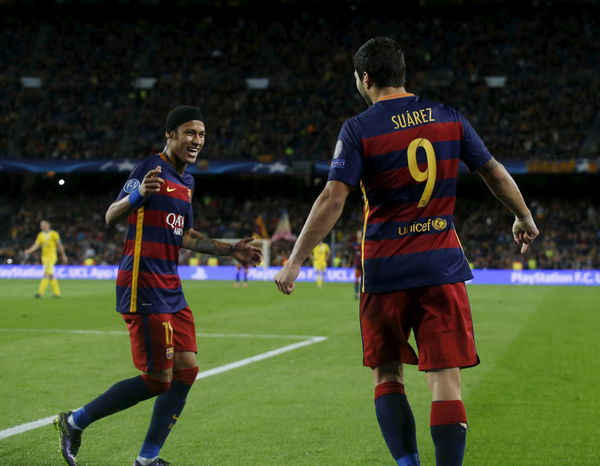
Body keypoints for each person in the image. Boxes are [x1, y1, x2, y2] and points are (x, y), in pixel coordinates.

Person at [274, 37, 539, 466]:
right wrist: (523, 216)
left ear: (366, 78)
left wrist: (295, 259)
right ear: (403, 74)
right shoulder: (449, 117)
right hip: (442, 266)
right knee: (446, 380)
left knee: (387, 374)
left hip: (384, 271)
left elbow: (332, 198)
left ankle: (408, 463)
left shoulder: (359, 128)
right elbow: (493, 171)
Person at [54, 105, 263, 466]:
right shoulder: (150, 169)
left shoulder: (187, 183)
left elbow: (185, 235)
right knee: (157, 380)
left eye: (201, 134)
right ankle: (74, 421)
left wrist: (232, 250)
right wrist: (138, 196)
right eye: (189, 133)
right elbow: (110, 215)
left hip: (171, 285)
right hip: (143, 283)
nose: (196, 140)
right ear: (170, 135)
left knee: (187, 371)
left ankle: (147, 459)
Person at [24, 220, 68, 298]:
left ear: (48, 225)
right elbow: (36, 245)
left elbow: (60, 245)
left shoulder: (54, 234)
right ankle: (57, 293)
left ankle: (40, 293)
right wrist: (29, 250)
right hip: (44, 257)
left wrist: (63, 255)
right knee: (51, 275)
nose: (42, 226)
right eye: (41, 225)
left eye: (44, 224)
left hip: (52, 256)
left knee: (46, 273)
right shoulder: (40, 235)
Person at [352, 230, 363, 299]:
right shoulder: (355, 245)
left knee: (362, 280)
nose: (359, 235)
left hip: (363, 264)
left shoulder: (364, 243)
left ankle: (360, 293)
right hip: (357, 264)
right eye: (358, 234)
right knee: (356, 279)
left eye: (360, 234)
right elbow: (353, 255)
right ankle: (356, 293)